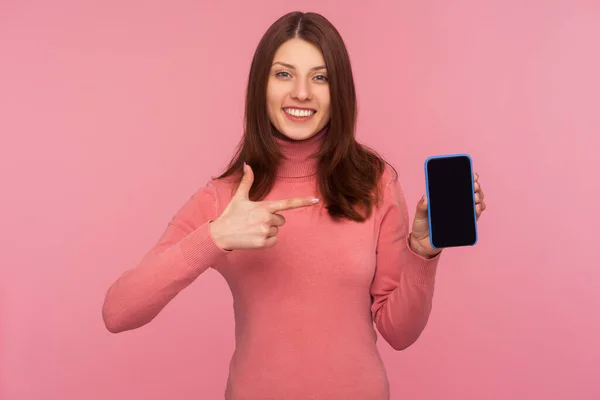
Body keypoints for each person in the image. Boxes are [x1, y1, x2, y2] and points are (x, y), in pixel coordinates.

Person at [102, 11, 487, 400]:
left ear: (339, 91)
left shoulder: (375, 183)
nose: (301, 92)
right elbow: (118, 312)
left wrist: (422, 252)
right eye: (284, 74)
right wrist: (214, 237)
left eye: (320, 77)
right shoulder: (224, 198)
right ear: (260, 86)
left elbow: (400, 333)